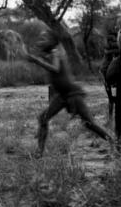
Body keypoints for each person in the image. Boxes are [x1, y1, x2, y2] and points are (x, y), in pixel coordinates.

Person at [23, 29, 114, 157]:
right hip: (62, 95)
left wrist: (35, 60)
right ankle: (39, 152)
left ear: (53, 41)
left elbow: (55, 68)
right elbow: (43, 57)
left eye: (45, 38)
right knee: (43, 118)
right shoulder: (53, 52)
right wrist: (32, 55)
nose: (41, 41)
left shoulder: (56, 52)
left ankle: (113, 143)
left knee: (89, 123)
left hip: (72, 94)